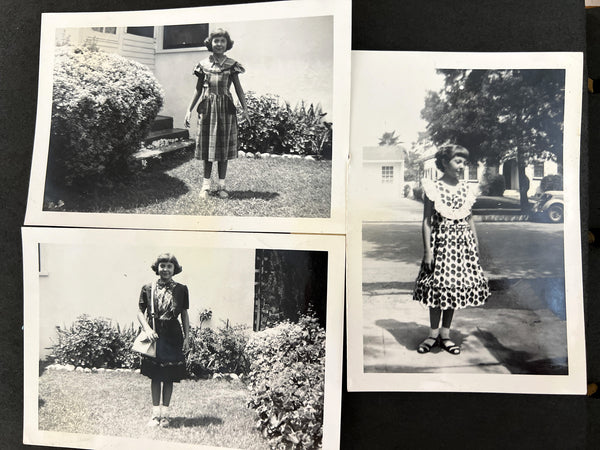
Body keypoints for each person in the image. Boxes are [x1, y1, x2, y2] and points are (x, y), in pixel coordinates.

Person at [413, 145, 490, 355]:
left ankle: (445, 335)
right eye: (458, 161)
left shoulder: (467, 188)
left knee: (453, 291)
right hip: (441, 246)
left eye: (464, 162)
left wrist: (475, 246)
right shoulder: (433, 188)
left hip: (462, 247)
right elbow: (427, 222)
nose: (462, 166)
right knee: (437, 290)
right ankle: (432, 335)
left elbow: (470, 219)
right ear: (445, 163)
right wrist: (427, 251)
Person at [184, 28, 251, 199]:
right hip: (207, 110)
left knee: (223, 147)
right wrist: (188, 110)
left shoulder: (232, 65)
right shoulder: (203, 65)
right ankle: (205, 186)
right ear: (210, 43)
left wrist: (246, 110)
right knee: (208, 148)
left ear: (227, 44)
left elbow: (239, 90)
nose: (219, 44)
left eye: (222, 41)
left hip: (225, 111)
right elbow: (198, 90)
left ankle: (222, 185)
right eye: (216, 40)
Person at [137, 253, 190, 427]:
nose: (165, 269)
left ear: (175, 269)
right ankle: (154, 415)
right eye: (162, 266)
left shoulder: (182, 289)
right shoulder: (148, 288)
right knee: (155, 375)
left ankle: (165, 415)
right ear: (157, 268)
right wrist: (148, 329)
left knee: (168, 376)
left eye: (169, 266)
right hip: (155, 334)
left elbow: (184, 314)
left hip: (173, 335)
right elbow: (140, 312)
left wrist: (187, 338)